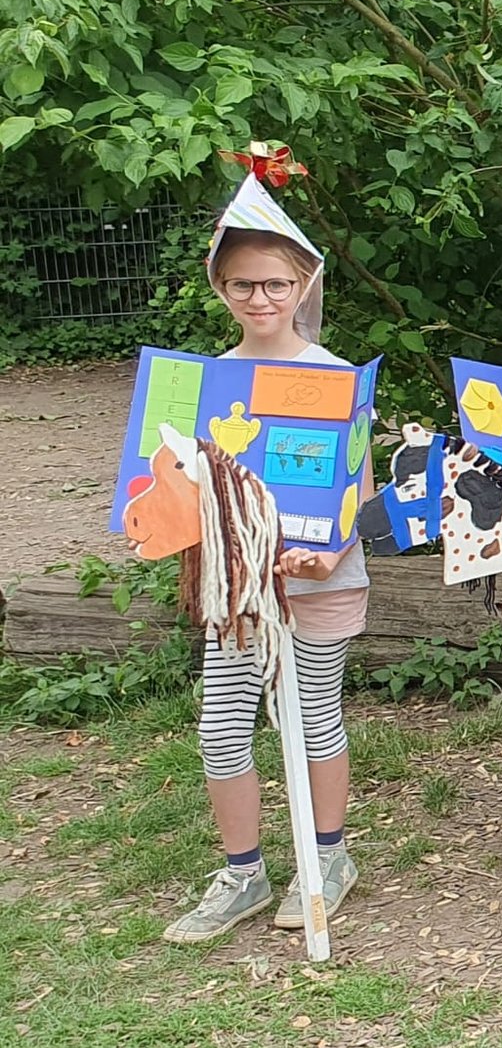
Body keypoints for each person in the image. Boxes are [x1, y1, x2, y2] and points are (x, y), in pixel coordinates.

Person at [163, 157, 371, 944]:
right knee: (221, 726)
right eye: (244, 285)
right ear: (222, 289)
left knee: (313, 719)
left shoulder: (336, 376)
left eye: (275, 284)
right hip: (237, 591)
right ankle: (243, 871)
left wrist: (326, 551)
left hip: (319, 582)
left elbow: (355, 485)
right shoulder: (206, 383)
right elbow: (180, 493)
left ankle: (328, 857)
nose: (261, 299)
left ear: (302, 286)